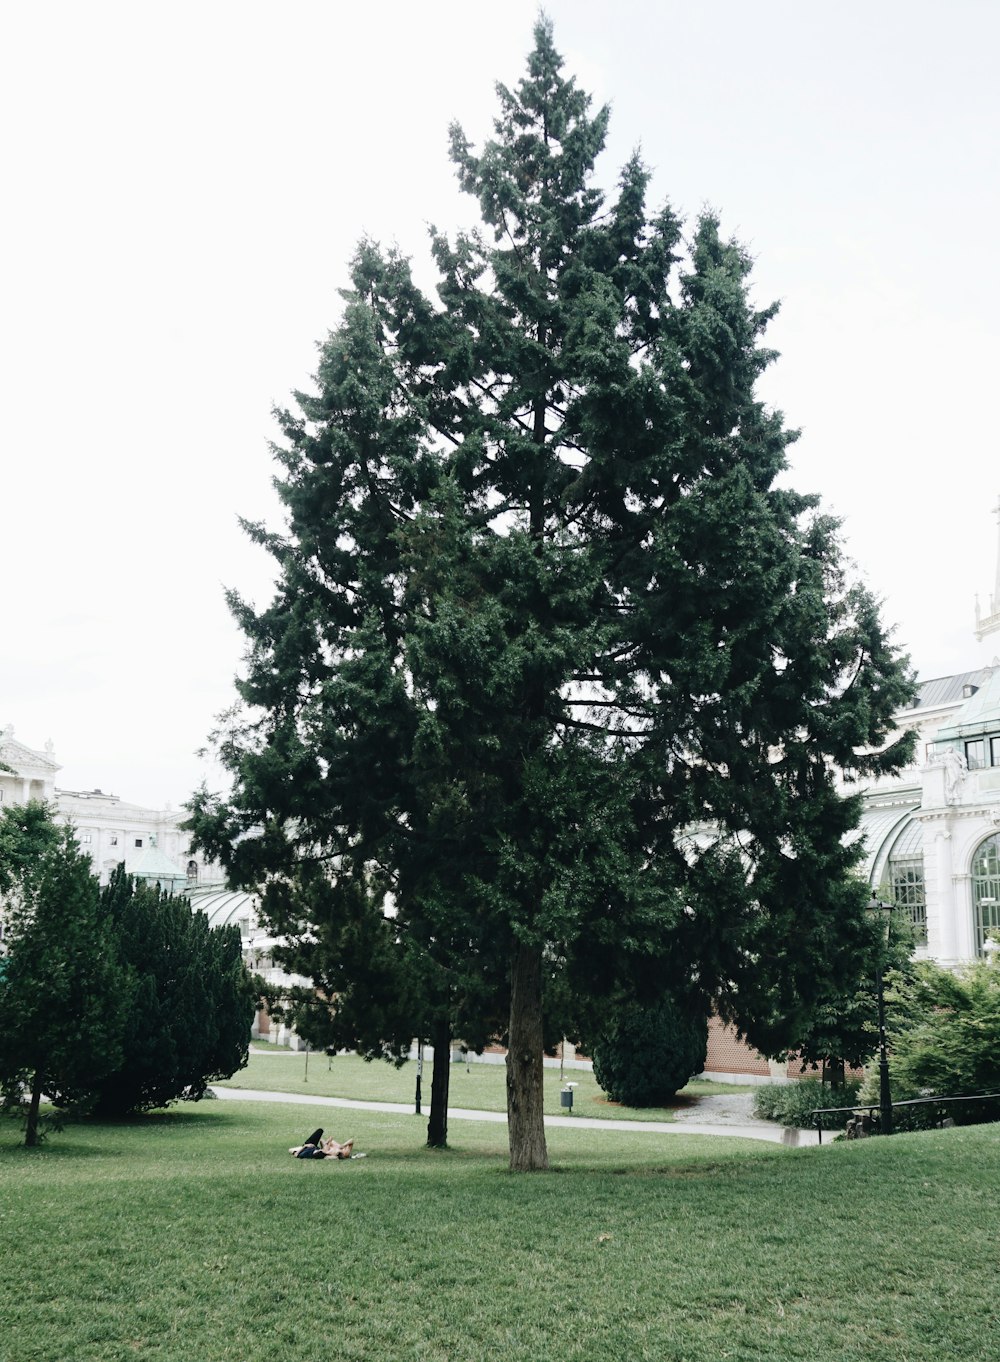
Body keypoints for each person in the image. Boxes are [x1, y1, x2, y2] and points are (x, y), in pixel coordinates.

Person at [288, 1128, 355, 1159]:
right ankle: (301, 1148)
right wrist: (342, 1146)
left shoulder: (328, 1153)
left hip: (307, 1147)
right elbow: (351, 1140)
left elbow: (325, 1151)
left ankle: (300, 1148)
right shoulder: (344, 1151)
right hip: (313, 1147)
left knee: (291, 1150)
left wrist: (305, 1146)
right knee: (320, 1130)